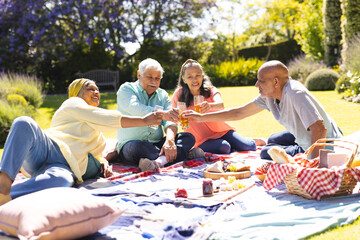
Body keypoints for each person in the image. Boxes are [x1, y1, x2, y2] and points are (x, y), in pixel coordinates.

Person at [0, 78, 163, 205]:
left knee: (62, 182)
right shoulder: (73, 103)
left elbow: (91, 150)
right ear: (77, 93)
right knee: (24, 122)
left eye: (97, 89)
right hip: (47, 148)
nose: (96, 92)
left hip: (64, 167)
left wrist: (103, 161)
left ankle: (7, 198)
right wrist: (144, 120)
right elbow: (104, 118)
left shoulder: (96, 133)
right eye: (90, 88)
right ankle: (3, 183)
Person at [184, 60, 343, 159]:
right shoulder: (269, 95)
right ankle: (297, 148)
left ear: (275, 82)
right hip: (305, 134)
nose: (256, 85)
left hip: (326, 145)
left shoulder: (295, 93)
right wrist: (199, 118)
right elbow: (239, 113)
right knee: (273, 139)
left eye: (261, 81)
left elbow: (319, 128)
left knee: (265, 153)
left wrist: (314, 165)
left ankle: (300, 150)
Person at [115, 58, 202, 172]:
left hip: (157, 143)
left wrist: (170, 141)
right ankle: (182, 155)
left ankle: (158, 161)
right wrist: (162, 115)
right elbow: (134, 108)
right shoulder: (127, 89)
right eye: (150, 77)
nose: (154, 81)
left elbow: (170, 121)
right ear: (138, 74)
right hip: (132, 143)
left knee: (188, 138)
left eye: (157, 78)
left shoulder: (163, 94)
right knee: (140, 147)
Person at [171, 59, 265, 154]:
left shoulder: (210, 90)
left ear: (202, 76)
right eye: (190, 77)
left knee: (248, 146)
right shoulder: (179, 95)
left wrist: (210, 106)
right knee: (224, 147)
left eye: (198, 75)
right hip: (201, 139)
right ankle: (230, 144)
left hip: (222, 131)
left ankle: (250, 140)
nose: (194, 80)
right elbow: (172, 115)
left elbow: (221, 105)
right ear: (184, 79)